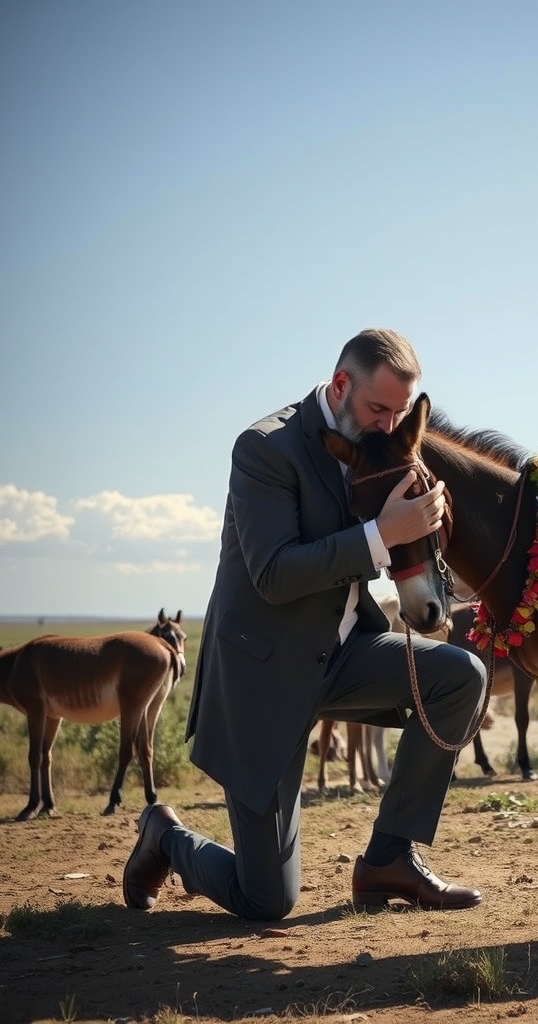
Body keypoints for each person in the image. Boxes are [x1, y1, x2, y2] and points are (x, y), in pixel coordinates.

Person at [122, 327, 487, 919]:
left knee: (461, 676)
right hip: (262, 680)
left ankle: (389, 858)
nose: (389, 426)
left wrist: (428, 519)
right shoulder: (264, 449)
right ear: (340, 385)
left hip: (341, 655)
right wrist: (379, 535)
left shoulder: (384, 440)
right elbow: (274, 573)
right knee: (267, 901)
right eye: (377, 409)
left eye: (399, 413)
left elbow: (399, 537)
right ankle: (164, 837)